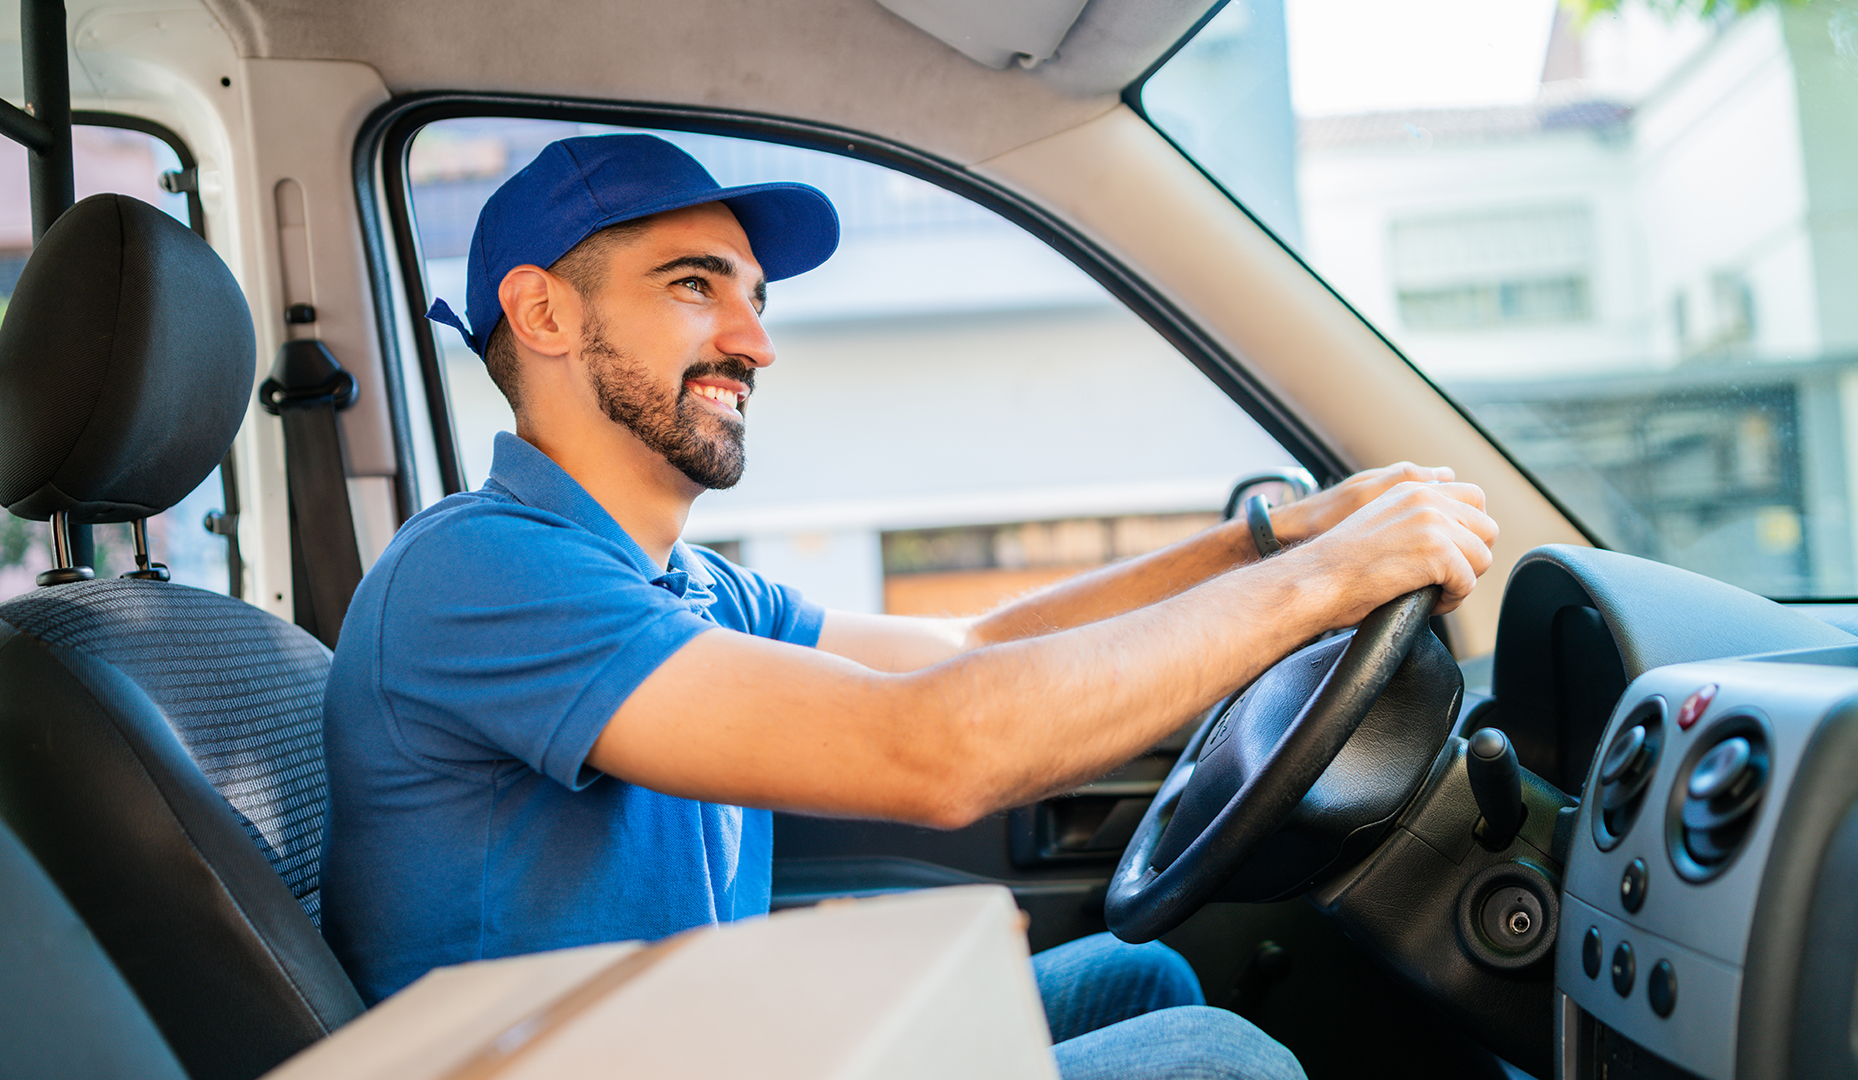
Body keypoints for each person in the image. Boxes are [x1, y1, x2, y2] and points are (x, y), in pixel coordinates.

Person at [322, 133, 1498, 1079]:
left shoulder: (684, 585)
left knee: (1141, 983)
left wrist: (1272, 538)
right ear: (544, 316)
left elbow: (972, 647)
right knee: (1215, 1059)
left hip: (700, 1037)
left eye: (754, 296)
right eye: (694, 288)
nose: (754, 342)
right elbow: (936, 749)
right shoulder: (480, 572)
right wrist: (1319, 588)